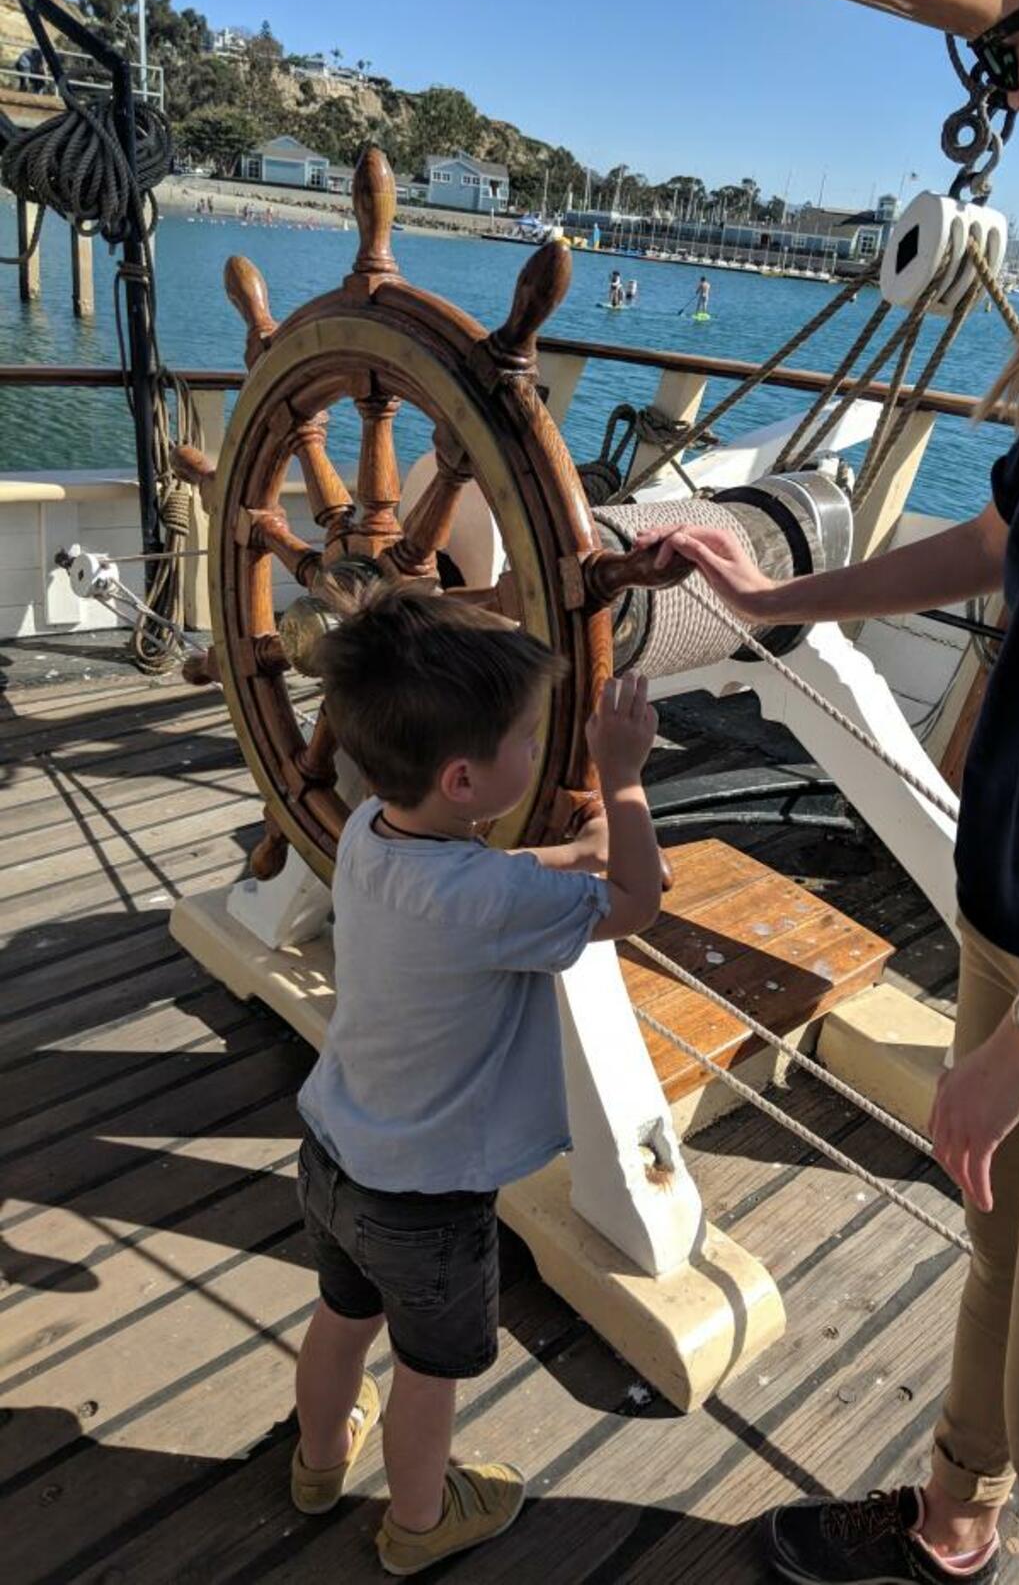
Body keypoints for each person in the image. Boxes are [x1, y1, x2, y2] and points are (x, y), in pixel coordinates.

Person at [639, 0, 1019, 1577]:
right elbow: (1005, 539)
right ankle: (950, 1529)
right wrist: (763, 602)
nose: (1002, 91)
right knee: (1000, 1268)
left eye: (1001, 40)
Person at [289, 588, 662, 1576]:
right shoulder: (494, 896)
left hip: (333, 1154)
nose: (540, 748)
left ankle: (316, 1463)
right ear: (465, 776)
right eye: (530, 738)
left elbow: (463, 877)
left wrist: (554, 855)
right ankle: (420, 1522)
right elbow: (636, 902)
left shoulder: (370, 827)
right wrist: (621, 780)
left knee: (340, 1318)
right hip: (429, 1202)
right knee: (426, 1374)